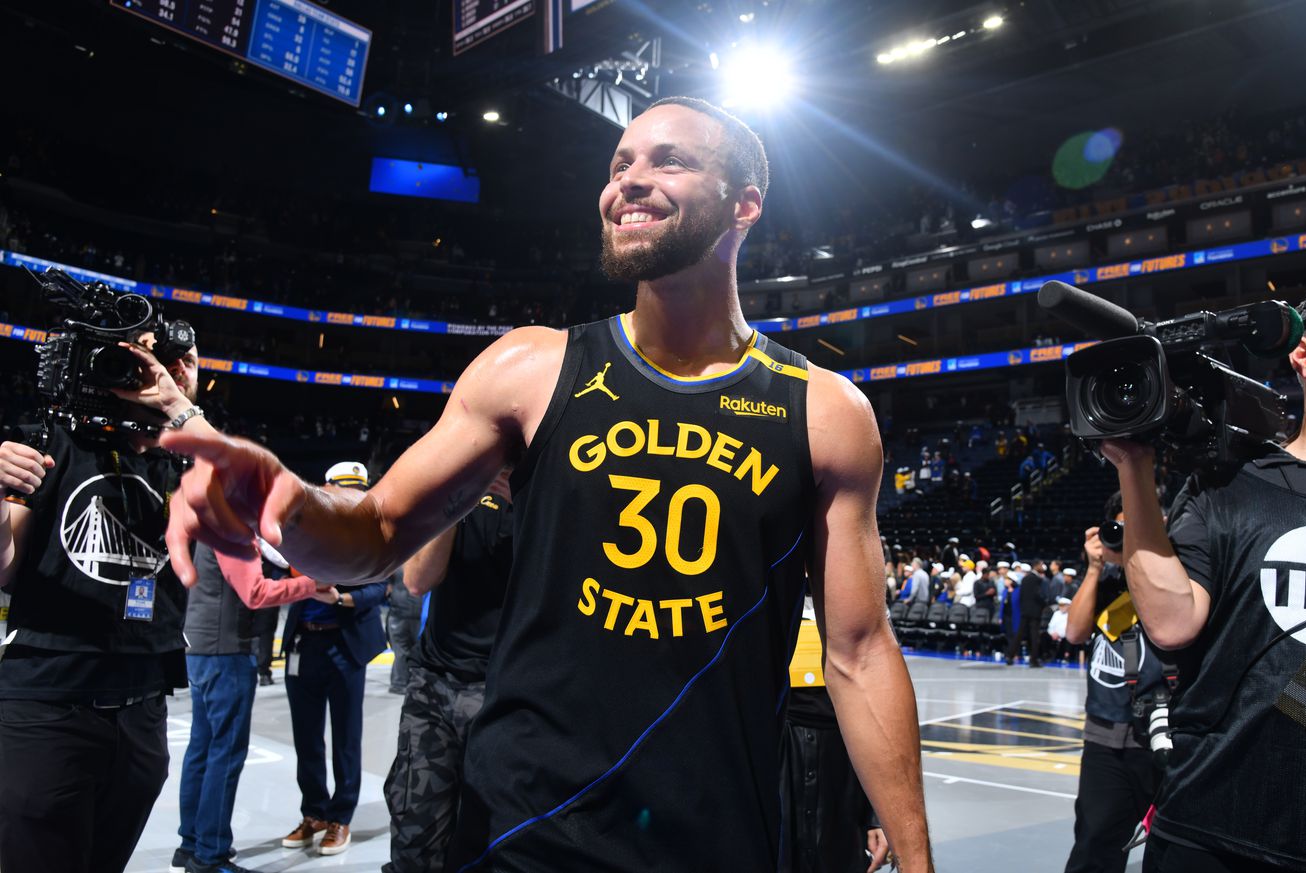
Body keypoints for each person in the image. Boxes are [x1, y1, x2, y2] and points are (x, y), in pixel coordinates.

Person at [160, 97, 933, 872]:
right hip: (524, 832)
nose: (629, 181)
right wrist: (287, 503)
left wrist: (917, 859)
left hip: (719, 834)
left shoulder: (826, 411)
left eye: (669, 160)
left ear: (745, 204)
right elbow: (379, 530)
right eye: (619, 165)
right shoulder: (530, 369)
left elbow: (860, 651)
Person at [1098, 300, 1306, 872]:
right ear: (1304, 354)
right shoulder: (1233, 485)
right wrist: (1132, 466)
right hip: (1211, 829)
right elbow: (1171, 624)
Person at [0, 332, 211, 873]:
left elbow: (260, 505)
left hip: (143, 713)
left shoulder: (185, 467)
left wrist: (181, 412)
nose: (179, 370)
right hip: (50, 707)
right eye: (165, 361)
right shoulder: (53, 443)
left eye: (189, 361)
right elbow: (4, 568)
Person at [384, 471, 514, 873]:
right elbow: (418, 579)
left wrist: (524, 500)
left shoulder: (547, 493)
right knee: (414, 839)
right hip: (435, 685)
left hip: (505, 692)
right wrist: (460, 501)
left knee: (495, 840)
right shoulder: (454, 494)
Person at [174, 539, 320, 873]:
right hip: (225, 651)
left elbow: (271, 554)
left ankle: (191, 843)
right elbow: (255, 591)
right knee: (225, 754)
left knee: (202, 749)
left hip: (201, 647)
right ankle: (211, 855)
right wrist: (312, 584)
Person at [277, 462, 389, 857]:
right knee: (306, 737)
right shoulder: (301, 530)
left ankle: (341, 817)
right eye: (344, 489)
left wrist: (342, 598)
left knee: (346, 738)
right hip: (304, 646)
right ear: (326, 488)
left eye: (358, 490)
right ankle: (315, 813)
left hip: (346, 646)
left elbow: (381, 586)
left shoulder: (371, 535)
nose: (352, 497)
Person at [1061, 495, 1163, 873]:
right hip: (1105, 738)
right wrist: (1093, 568)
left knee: (1170, 849)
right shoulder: (1103, 585)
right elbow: (1074, 633)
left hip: (1161, 738)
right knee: (1094, 845)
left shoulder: (1179, 577)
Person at [782, 596, 889, 873]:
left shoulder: (858, 594)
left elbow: (878, 715)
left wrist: (877, 816)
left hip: (842, 758)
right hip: (778, 750)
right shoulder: (761, 589)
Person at [1007, 562, 1049, 667]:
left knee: (1019, 634)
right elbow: (1038, 594)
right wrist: (1044, 604)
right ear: (1036, 566)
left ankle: (1010, 656)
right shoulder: (1037, 579)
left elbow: (1021, 595)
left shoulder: (1025, 579)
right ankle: (1033, 660)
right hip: (1035, 611)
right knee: (1034, 636)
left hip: (1025, 611)